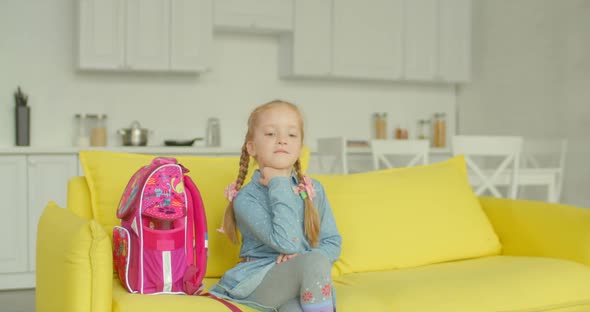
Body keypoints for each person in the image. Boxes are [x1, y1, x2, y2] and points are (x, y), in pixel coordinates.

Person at [209, 100, 342, 312]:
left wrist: (303, 261)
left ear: (300, 147)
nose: (281, 140)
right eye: (270, 134)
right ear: (251, 147)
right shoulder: (246, 198)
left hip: (298, 281)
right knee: (315, 261)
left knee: (296, 308)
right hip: (260, 282)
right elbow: (286, 242)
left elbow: (332, 241)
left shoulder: (313, 189)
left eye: (291, 135)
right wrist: (278, 183)